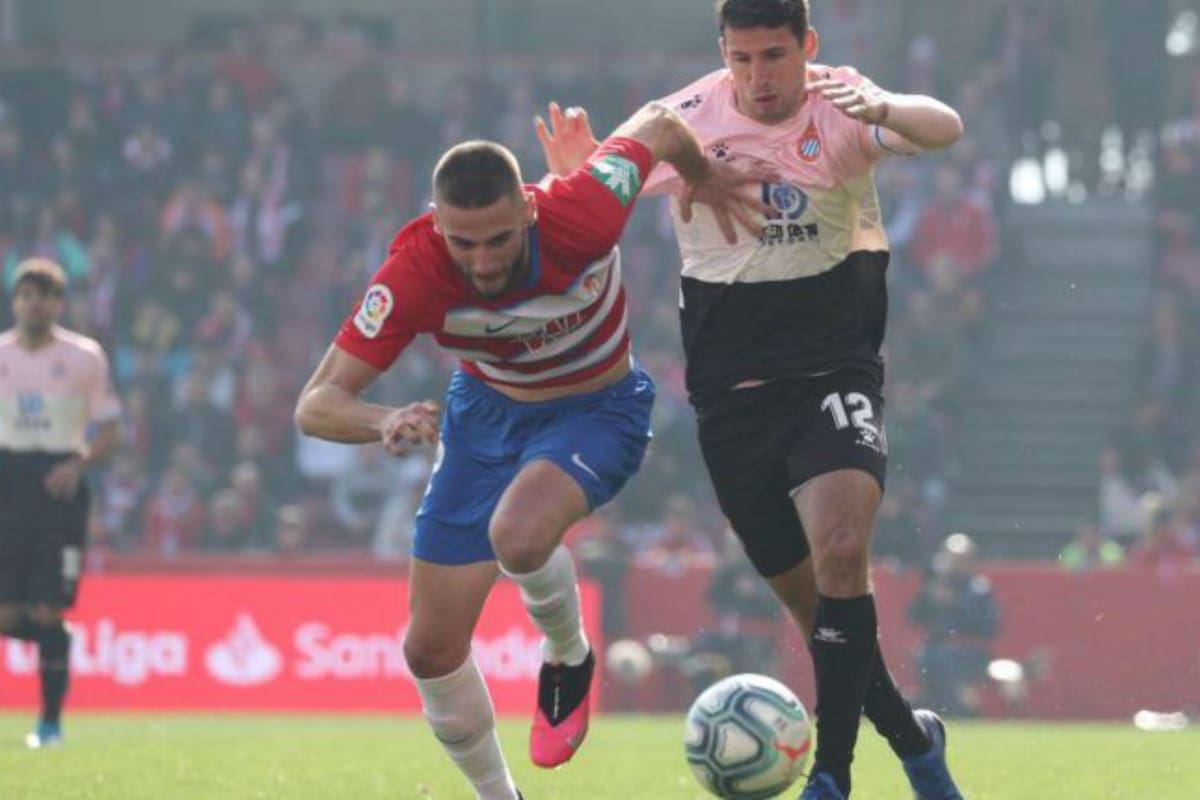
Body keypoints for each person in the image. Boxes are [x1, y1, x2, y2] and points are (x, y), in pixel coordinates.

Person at [536, 1, 965, 796]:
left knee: (844, 554)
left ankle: (829, 777)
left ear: (808, 46)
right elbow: (582, 211)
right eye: (744, 59)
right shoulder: (681, 120)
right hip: (731, 402)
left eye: (776, 56)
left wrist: (885, 107)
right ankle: (915, 740)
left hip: (832, 373)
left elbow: (943, 127)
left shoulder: (839, 102)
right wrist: (577, 172)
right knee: (820, 622)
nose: (761, 77)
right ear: (722, 54)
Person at [294, 102, 766, 799]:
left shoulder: (583, 208)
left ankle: (568, 655)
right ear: (436, 221)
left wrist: (702, 177)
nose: (481, 261)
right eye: (463, 242)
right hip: (482, 421)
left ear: (528, 208)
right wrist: (384, 418)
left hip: (597, 410)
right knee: (428, 649)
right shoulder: (415, 272)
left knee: (515, 535)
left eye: (496, 239)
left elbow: (663, 124)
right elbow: (316, 404)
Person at [0, 258, 122, 748]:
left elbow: (111, 429)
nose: (34, 303)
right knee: (7, 616)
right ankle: (58, 645)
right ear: (14, 301)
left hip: (59, 487)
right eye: (26, 294)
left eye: (44, 294)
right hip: (7, 482)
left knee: (49, 610)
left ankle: (49, 724)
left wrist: (79, 463)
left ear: (59, 303)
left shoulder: (84, 357)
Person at [908, 533, 1000, 718]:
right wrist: (929, 598)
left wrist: (955, 605)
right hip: (935, 650)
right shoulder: (936, 585)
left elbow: (989, 627)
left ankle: (960, 709)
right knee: (928, 656)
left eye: (961, 560)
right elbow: (913, 616)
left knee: (942, 660)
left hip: (968, 652)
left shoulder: (979, 589)